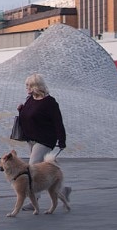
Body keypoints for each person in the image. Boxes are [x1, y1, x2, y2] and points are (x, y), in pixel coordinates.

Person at [16, 73, 70, 209]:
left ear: (36, 86)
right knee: (39, 170)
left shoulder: (50, 102)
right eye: (26, 85)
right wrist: (21, 110)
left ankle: (34, 200)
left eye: (29, 85)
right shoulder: (30, 99)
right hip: (31, 139)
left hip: (45, 140)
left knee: (32, 167)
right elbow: (28, 116)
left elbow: (58, 122)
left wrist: (62, 141)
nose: (26, 88)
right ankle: (63, 191)